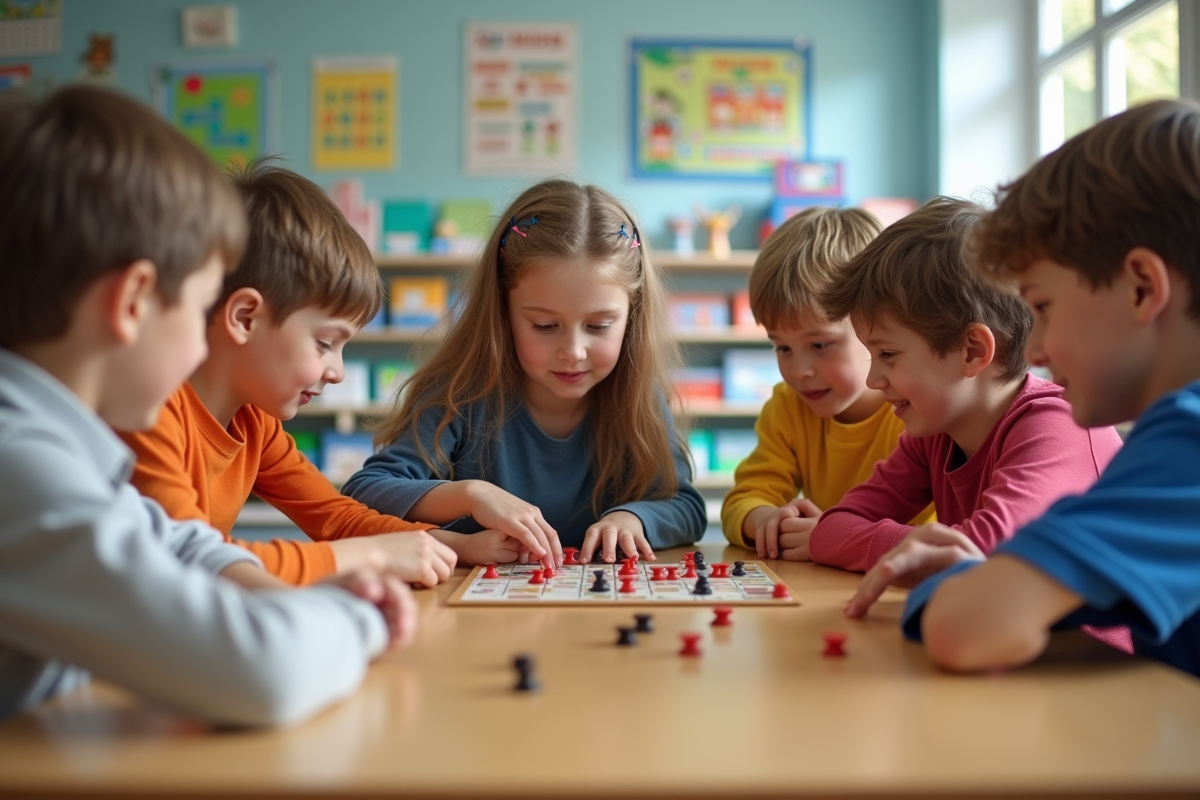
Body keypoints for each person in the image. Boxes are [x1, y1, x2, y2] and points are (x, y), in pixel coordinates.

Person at [0, 86, 414, 725]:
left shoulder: (63, 447)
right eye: (197, 310)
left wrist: (298, 594)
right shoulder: (18, 466)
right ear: (133, 302)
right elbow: (266, 673)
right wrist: (357, 617)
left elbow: (182, 548)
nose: (204, 341)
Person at [846, 100, 1200, 677]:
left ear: (1140, 288)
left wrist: (969, 577)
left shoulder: (1186, 441)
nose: (1034, 350)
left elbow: (966, 631)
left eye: (1044, 307)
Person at [119, 157, 457, 587]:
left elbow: (335, 516)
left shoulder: (254, 421)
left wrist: (448, 542)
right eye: (324, 344)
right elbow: (191, 560)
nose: (336, 372)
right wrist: (368, 555)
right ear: (244, 318)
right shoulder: (154, 409)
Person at [344, 179, 706, 566]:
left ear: (632, 317)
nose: (573, 352)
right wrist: (471, 494)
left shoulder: (638, 395)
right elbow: (364, 493)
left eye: (599, 326)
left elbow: (686, 506)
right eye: (545, 326)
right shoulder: (458, 393)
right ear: (503, 312)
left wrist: (634, 517)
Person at [803, 198, 1123, 575]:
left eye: (887, 353)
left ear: (972, 351)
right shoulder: (934, 434)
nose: (873, 380)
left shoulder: (1059, 427)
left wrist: (889, 544)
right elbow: (832, 529)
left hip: (1084, 636)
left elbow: (981, 556)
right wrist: (912, 545)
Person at [720, 207, 933, 559]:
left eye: (820, 345)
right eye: (782, 347)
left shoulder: (920, 412)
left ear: (875, 330)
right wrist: (767, 519)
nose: (800, 370)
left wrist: (836, 538)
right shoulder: (788, 405)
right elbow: (745, 498)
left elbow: (941, 536)